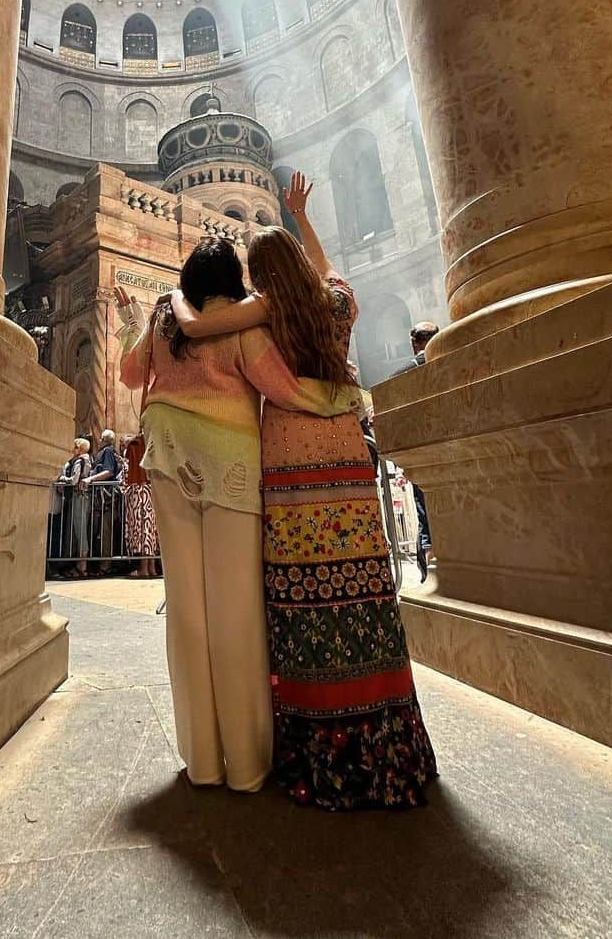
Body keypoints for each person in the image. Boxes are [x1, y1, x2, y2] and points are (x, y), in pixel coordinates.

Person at [171, 171, 437, 810]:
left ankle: (319, 751)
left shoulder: (262, 322)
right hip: (345, 455)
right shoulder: (336, 305)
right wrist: (301, 218)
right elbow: (326, 271)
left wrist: (177, 302)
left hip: (288, 463)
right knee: (362, 590)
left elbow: (202, 329)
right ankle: (386, 747)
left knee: (302, 599)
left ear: (259, 279)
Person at [116, 238, 359, 795]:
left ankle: (202, 761)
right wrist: (337, 398)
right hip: (230, 462)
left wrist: (133, 325)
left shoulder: (165, 321)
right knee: (235, 607)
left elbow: (131, 378)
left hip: (169, 453)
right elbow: (284, 389)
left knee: (186, 606)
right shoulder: (243, 327)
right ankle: (246, 765)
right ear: (235, 278)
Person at [396, 321, 440, 581]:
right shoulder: (455, 363)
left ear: (414, 343)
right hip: (454, 451)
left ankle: (431, 576)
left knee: (427, 521)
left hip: (423, 456)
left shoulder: (406, 373)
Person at [121, 433, 160, 579]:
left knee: (143, 530)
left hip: (138, 490)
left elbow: (128, 471)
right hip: (150, 490)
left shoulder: (135, 444)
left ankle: (144, 568)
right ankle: (151, 568)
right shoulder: (152, 441)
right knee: (150, 529)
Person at [85, 429, 123, 572]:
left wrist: (90, 479)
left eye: (100, 439)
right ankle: (101, 563)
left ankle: (105, 565)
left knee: (105, 530)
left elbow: (109, 471)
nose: (98, 441)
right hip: (102, 498)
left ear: (104, 440)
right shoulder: (108, 451)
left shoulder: (108, 452)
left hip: (106, 498)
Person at [62, 437, 92, 579]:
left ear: (79, 449)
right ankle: (81, 564)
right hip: (82, 497)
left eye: (74, 447)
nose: (72, 449)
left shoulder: (80, 460)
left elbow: (74, 479)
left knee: (80, 530)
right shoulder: (86, 459)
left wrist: (63, 479)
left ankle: (82, 565)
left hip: (79, 496)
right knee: (80, 529)